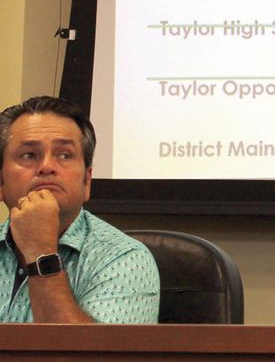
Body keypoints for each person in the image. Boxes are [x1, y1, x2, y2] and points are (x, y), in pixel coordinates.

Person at [0, 96, 159, 323]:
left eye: (64, 155)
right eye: (29, 155)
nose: (47, 167)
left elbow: (88, 356)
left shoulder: (125, 259)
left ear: (87, 180)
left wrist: (40, 254)